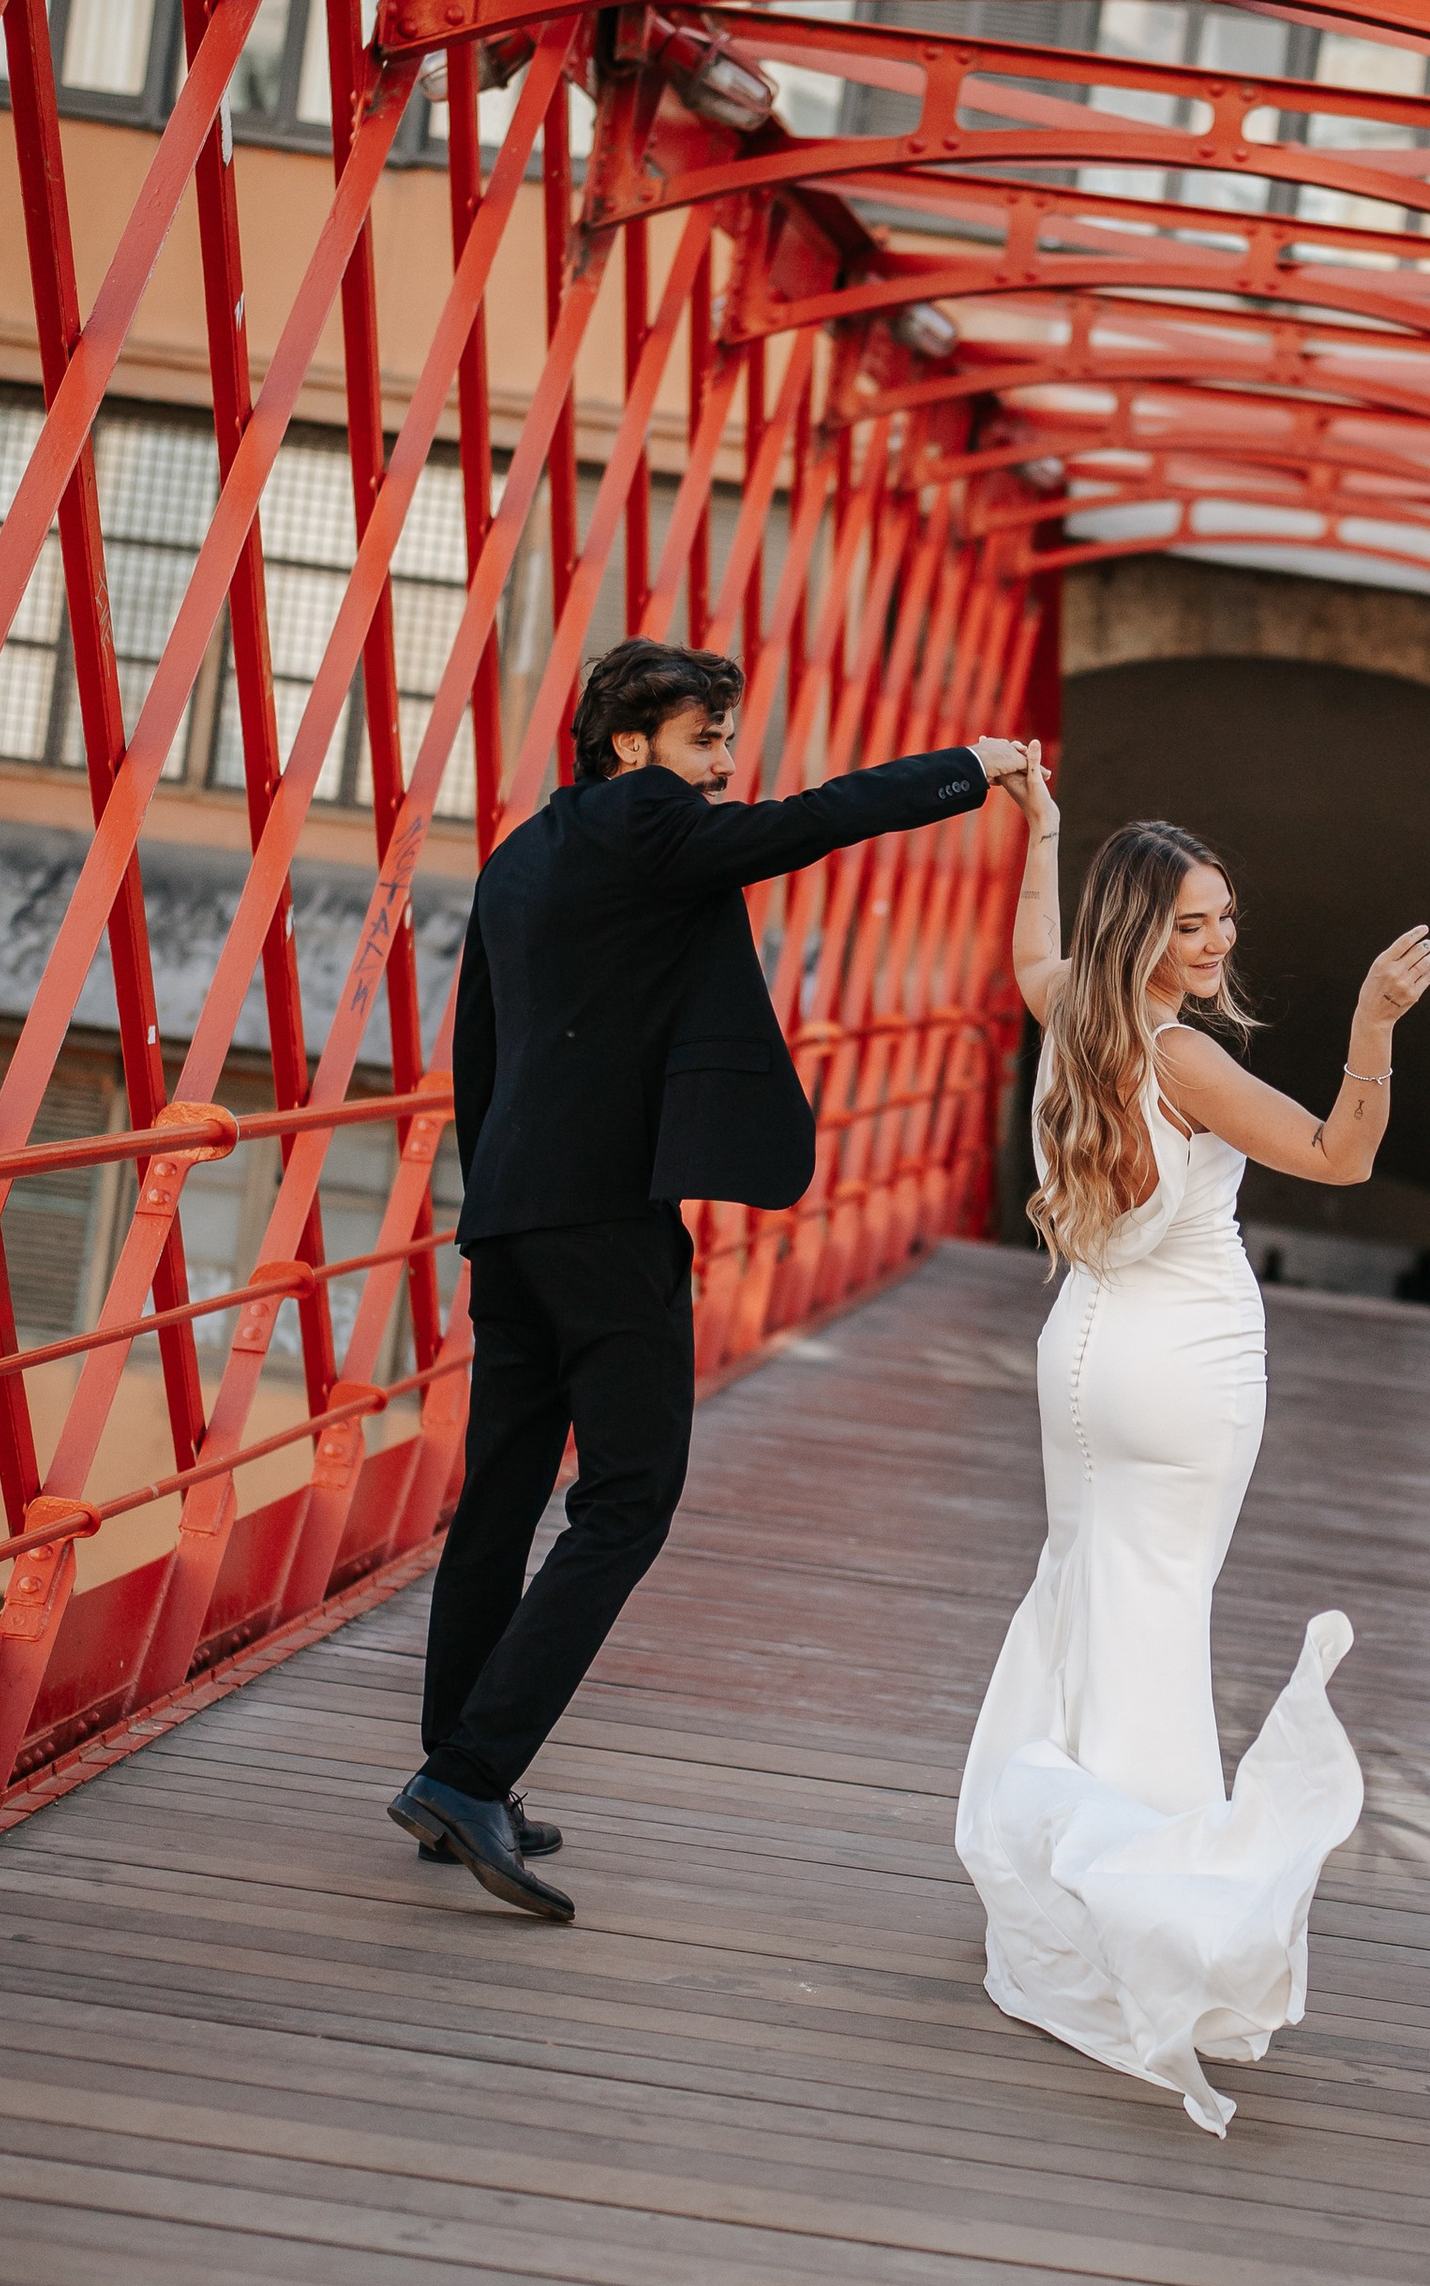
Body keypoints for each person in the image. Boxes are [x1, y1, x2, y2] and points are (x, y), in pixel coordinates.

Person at [394, 638, 1030, 1921]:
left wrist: (493, 1203)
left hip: (512, 1212)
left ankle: (450, 1775)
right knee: (629, 1499)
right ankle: (469, 1775)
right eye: (704, 741)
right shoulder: (648, 821)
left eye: (725, 743)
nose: (724, 768)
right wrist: (971, 766)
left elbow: (481, 1050)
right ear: (629, 747)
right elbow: (811, 825)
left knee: (504, 1494)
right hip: (602, 1219)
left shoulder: (524, 855)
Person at [956, 760, 1430, 2130]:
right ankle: (1146, 1926)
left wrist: (1044, 832)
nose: (1217, 942)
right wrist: (1373, 1025)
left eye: (1222, 917)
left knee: (1089, 1602)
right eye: (1189, 924)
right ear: (1143, 933)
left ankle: (1062, 1876)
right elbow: (1343, 1157)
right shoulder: (1182, 1058)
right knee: (1156, 1624)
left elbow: (1029, 953)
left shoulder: (1074, 1017)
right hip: (1184, 1369)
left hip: (1083, 1352)